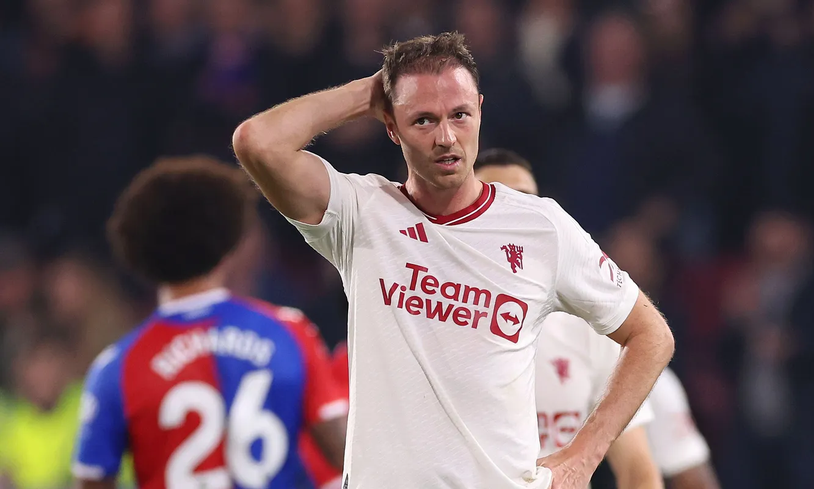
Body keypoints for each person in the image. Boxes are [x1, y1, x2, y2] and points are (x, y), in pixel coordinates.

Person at [232, 32, 675, 488]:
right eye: (422, 120)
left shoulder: (542, 227)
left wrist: (584, 456)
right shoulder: (362, 213)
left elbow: (652, 335)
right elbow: (257, 142)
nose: (446, 137)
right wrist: (368, 92)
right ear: (391, 126)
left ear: (480, 110)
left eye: (460, 115)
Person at [72, 156, 348, 489]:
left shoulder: (117, 367)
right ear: (228, 241)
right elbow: (347, 455)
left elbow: (93, 482)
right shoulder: (288, 332)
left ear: (139, 253)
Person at [475, 149, 719, 489]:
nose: (518, 217)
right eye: (500, 200)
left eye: (528, 201)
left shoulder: (595, 332)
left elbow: (640, 470)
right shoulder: (427, 321)